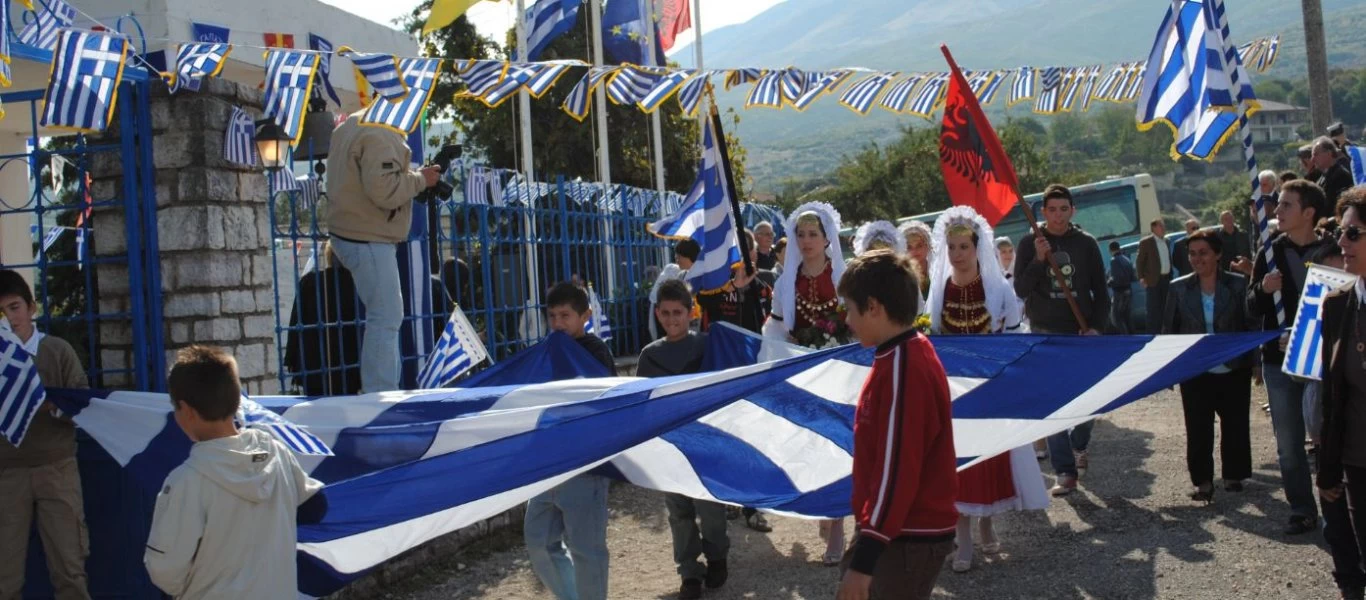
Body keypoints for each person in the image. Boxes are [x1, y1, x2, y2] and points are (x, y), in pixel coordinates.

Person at [144, 346, 326, 598]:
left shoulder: (186, 482)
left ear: (187, 411)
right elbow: (315, 507)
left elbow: (165, 570)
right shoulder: (277, 453)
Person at [924, 208, 1042, 574]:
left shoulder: (998, 289)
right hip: (955, 392)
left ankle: (987, 523)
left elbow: (1013, 340)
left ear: (978, 248)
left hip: (991, 388)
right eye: (952, 247)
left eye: (964, 246)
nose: (957, 254)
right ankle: (964, 537)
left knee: (989, 460)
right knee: (957, 463)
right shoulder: (939, 290)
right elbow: (931, 339)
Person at [835, 249, 956, 600]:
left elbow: (897, 469)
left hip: (905, 537)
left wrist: (865, 558)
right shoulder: (901, 355)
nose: (847, 320)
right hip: (895, 531)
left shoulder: (905, 367)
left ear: (873, 307)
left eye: (850, 309)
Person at [325, 111, 441, 394]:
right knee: (386, 316)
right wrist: (421, 180)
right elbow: (384, 190)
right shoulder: (381, 130)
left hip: (351, 232)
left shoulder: (352, 124)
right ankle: (380, 393)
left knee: (383, 316)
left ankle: (380, 390)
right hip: (368, 236)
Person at [763, 202, 848, 565]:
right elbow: (776, 327)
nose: (806, 240)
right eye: (800, 234)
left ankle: (839, 524)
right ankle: (826, 509)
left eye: (813, 234)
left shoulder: (844, 276)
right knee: (814, 446)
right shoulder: (787, 281)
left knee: (841, 445)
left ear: (828, 238)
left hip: (841, 373)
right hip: (804, 375)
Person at [1013, 184, 1109, 496]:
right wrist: (1039, 260)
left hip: (1081, 332)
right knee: (1053, 402)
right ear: (1043, 212)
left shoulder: (1086, 243)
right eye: (1052, 210)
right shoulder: (1029, 242)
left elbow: (1101, 291)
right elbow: (1020, 289)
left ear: (1072, 210)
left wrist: (1096, 327)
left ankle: (1079, 442)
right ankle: (1065, 472)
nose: (1058, 216)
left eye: (1063, 209)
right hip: (1044, 332)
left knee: (1090, 398)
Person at [0, 270, 90, 600]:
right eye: (1, 312)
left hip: (57, 468)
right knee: (5, 574)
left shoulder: (57, 351)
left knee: (69, 567)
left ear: (31, 308)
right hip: (7, 472)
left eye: (14, 307)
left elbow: (81, 404)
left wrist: (50, 406)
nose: (9, 319)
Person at [524, 282, 616, 600]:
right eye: (552, 316)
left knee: (586, 549)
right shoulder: (547, 352)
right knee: (538, 540)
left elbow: (603, 402)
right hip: (547, 465)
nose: (558, 323)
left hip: (584, 467)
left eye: (565, 315)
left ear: (585, 316)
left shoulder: (595, 352)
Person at [637, 280, 727, 599]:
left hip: (705, 441)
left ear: (691, 313)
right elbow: (643, 403)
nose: (672, 319)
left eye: (678, 312)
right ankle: (689, 571)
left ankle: (717, 555)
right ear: (657, 314)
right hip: (669, 443)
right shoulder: (649, 356)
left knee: (710, 506)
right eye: (666, 313)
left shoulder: (708, 346)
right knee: (678, 510)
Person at [1251, 178, 1331, 535]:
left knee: (1327, 438)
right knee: (1288, 444)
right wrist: (1262, 289)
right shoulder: (1269, 251)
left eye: (1286, 205)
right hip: (1278, 361)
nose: (1277, 211)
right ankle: (1301, 509)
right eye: (1277, 203)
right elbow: (1250, 306)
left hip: (1321, 362)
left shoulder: (1332, 250)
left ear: (1308, 212)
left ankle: (1335, 509)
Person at [1162, 230, 1255, 503]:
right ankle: (1202, 482)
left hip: (1234, 366)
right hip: (1195, 369)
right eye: (1192, 254)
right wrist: (1169, 369)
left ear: (1218, 254)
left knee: (1235, 423)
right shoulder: (1178, 288)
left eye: (1203, 253)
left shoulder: (1238, 284)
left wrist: (1256, 363)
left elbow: (1250, 324)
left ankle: (1233, 475)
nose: (1197, 259)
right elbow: (1169, 329)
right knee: (1197, 427)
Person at [1317, 187, 1366, 600]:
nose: (1342, 243)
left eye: (1353, 234)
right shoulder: (1336, 305)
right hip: (1358, 460)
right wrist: (1328, 466)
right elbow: (1331, 393)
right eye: (1340, 233)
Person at [285, 244, 363, 396]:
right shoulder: (358, 284)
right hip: (349, 367)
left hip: (313, 368)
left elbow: (295, 324)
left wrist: (292, 362)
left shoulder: (309, 282)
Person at [697, 231, 770, 334]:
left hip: (750, 341)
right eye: (736, 248)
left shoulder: (760, 285)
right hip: (719, 340)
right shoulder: (711, 279)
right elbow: (702, 299)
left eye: (746, 248)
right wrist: (733, 285)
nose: (741, 254)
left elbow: (768, 318)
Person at [649, 239, 700, 339]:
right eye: (676, 256)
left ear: (688, 256)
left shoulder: (702, 276)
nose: (677, 260)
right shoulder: (681, 275)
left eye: (679, 256)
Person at [1136, 218, 1173, 333]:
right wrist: (1141, 278)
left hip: (1166, 279)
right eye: (1161, 226)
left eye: (1164, 225)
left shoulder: (1167, 241)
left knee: (1166, 308)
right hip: (1153, 281)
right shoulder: (1146, 242)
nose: (1163, 228)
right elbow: (1140, 261)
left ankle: (1166, 331)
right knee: (1153, 310)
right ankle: (1153, 333)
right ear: (1154, 228)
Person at [1314, 136, 1355, 207]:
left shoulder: (1341, 176)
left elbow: (1337, 205)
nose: (1313, 159)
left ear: (1328, 153)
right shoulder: (1323, 176)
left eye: (1316, 154)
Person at [1107, 241, 1137, 334]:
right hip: (1128, 290)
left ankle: (1124, 337)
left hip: (1119, 292)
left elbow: (1116, 278)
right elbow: (1133, 276)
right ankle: (1132, 335)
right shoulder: (1126, 259)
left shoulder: (1114, 260)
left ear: (1110, 250)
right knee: (1127, 316)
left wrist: (1109, 283)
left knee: (1117, 317)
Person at [901, 221, 933, 298]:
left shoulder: (937, 271)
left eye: (919, 246)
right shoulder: (901, 276)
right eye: (909, 247)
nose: (914, 251)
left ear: (928, 246)